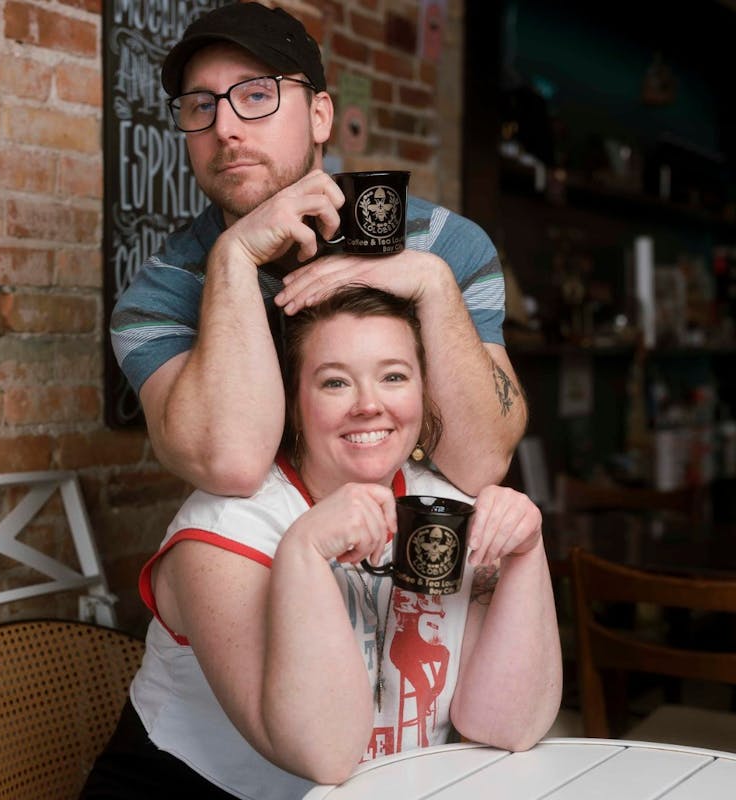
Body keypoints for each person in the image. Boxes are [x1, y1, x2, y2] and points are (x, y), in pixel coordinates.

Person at [84, 285, 562, 799]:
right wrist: (304, 550)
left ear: (424, 393)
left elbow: (506, 725)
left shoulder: (441, 510)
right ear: (293, 403)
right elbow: (323, 755)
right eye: (335, 382)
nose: (369, 405)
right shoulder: (222, 531)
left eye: (394, 376)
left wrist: (526, 554)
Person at [110, 2, 527, 499]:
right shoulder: (158, 297)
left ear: (320, 115)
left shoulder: (444, 244)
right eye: (201, 105)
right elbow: (231, 466)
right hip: (258, 559)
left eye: (257, 94)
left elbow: (482, 462)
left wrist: (433, 285)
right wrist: (233, 257)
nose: (224, 128)